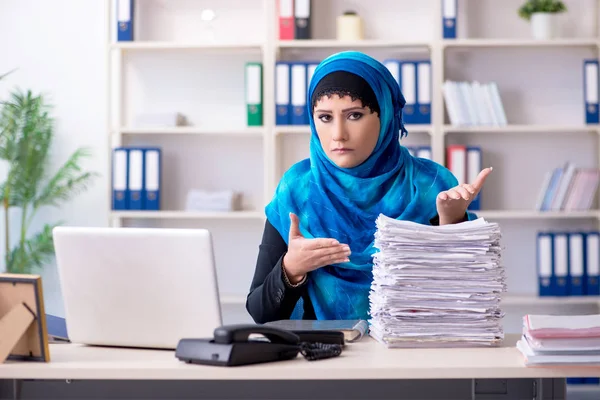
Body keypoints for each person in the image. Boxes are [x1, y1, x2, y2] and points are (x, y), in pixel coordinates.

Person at [246, 51, 492, 324]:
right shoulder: (297, 189)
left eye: (354, 115)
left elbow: (464, 299)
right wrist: (290, 268)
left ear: (386, 115)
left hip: (414, 353)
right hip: (326, 355)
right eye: (325, 117)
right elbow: (259, 312)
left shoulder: (430, 186)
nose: (338, 134)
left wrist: (452, 222)